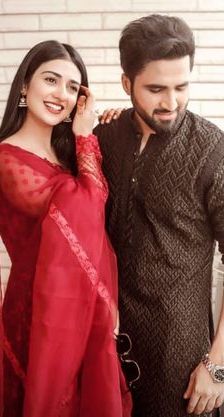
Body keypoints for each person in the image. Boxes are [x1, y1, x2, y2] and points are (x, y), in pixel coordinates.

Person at [0, 40, 132, 417]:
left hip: (83, 308)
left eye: (73, 86)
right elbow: (82, 206)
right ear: (24, 86)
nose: (61, 95)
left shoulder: (67, 154)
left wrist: (108, 131)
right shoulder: (6, 158)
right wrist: (85, 137)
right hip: (41, 314)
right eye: (51, 80)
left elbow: (95, 203)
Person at [94, 14, 224, 417]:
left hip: (183, 367)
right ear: (126, 83)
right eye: (155, 89)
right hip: (106, 352)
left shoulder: (211, 149)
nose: (170, 103)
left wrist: (217, 365)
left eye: (181, 87)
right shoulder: (103, 139)